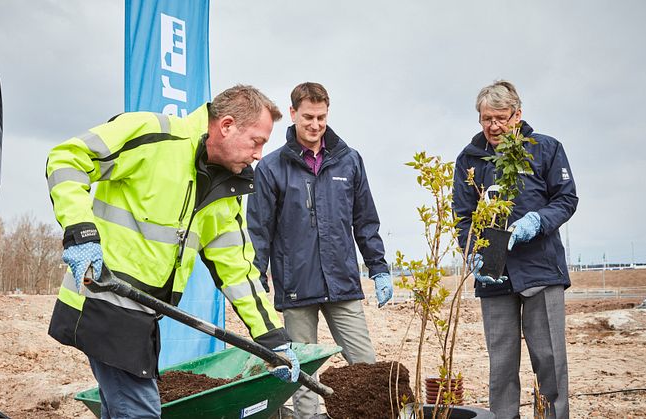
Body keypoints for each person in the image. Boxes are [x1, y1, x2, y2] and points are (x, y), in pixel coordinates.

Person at [45, 85, 300, 418]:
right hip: (104, 297)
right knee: (141, 411)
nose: (259, 155)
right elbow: (67, 157)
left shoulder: (226, 192)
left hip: (144, 314)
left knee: (121, 410)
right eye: (257, 141)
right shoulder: (153, 135)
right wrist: (81, 231)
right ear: (226, 126)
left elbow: (238, 271)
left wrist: (271, 338)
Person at [247, 82, 393, 418]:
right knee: (302, 375)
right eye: (309, 117)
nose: (315, 124)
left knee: (366, 368)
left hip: (342, 283)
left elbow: (365, 221)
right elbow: (259, 230)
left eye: (322, 117)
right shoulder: (271, 168)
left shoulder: (349, 161)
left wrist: (379, 267)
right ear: (294, 112)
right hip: (297, 285)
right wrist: (256, 274)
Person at [453, 80, 578, 419]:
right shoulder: (469, 159)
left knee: (550, 362)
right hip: (495, 277)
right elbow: (463, 217)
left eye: (501, 118)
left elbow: (567, 198)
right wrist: (473, 255)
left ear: (518, 115)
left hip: (541, 271)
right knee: (502, 367)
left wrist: (537, 221)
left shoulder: (546, 149)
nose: (493, 126)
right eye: (486, 119)